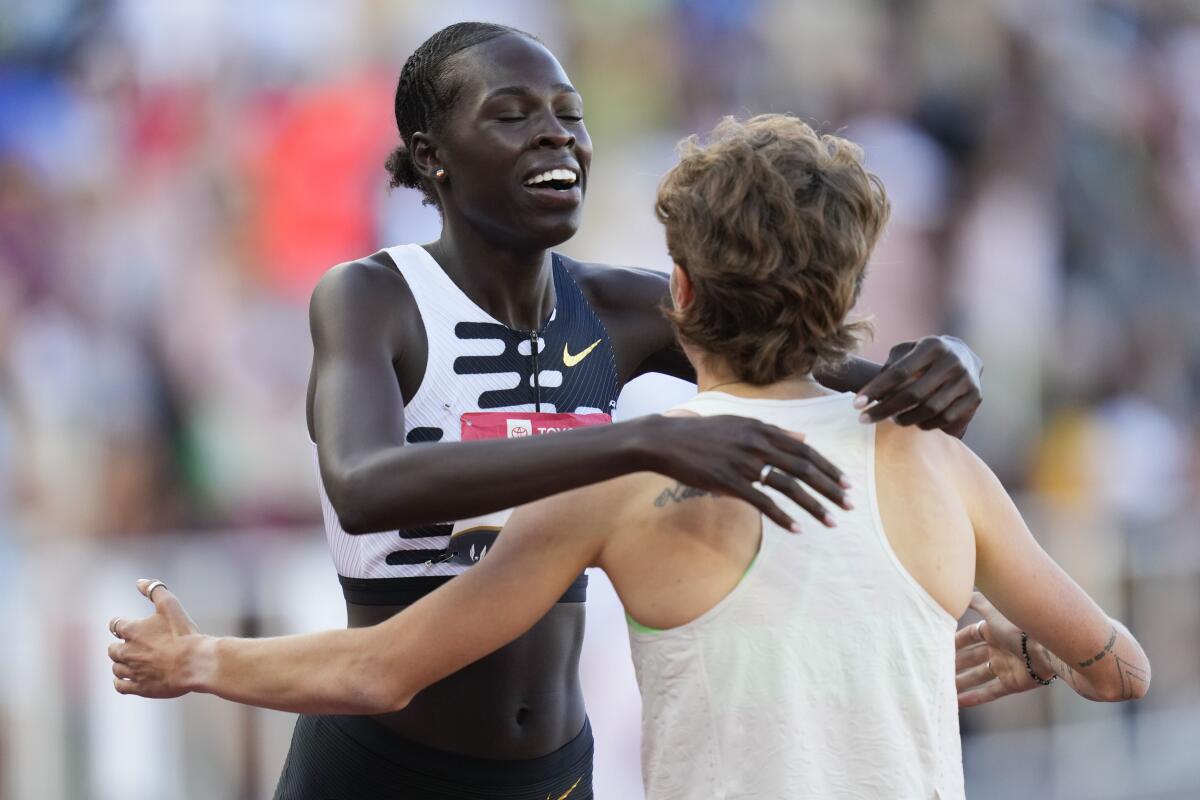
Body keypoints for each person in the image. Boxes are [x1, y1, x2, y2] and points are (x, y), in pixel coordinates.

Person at [111, 24, 986, 799]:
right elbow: (365, 486)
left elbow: (846, 380)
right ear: (430, 155)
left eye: (569, 113)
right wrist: (634, 444)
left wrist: (953, 363)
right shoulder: (372, 297)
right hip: (380, 760)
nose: (555, 135)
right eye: (513, 114)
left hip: (553, 773)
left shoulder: (627, 306)